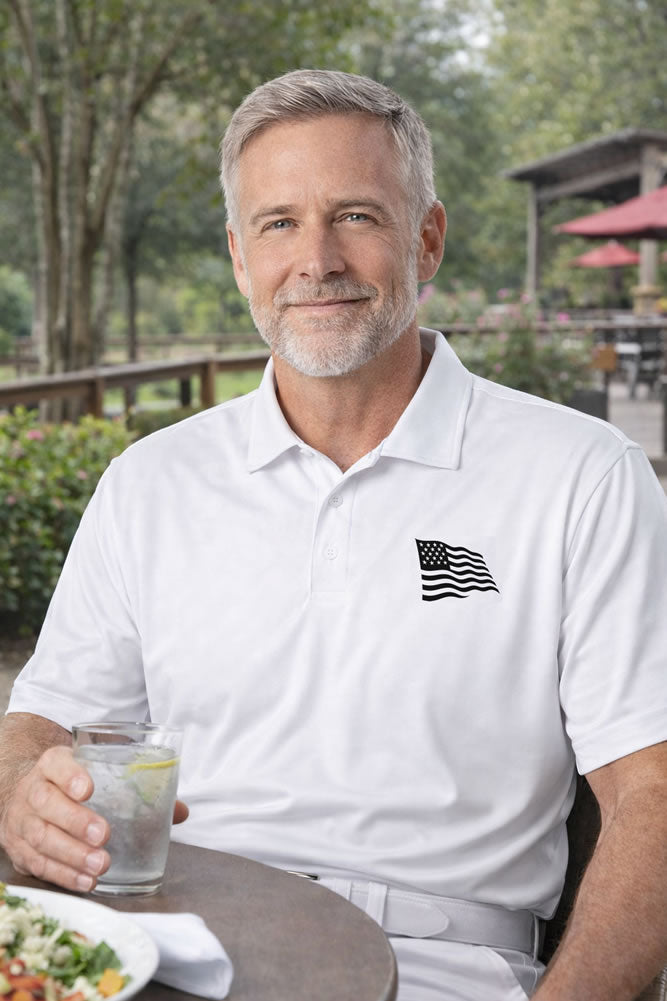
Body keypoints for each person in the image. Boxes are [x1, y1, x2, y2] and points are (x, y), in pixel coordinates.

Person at [1, 69, 666, 1001]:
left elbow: (654, 796)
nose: (315, 259)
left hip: (445, 968)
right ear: (239, 256)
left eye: (355, 215)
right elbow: (39, 724)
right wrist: (25, 790)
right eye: (278, 223)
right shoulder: (150, 482)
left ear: (425, 237)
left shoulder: (581, 476)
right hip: (166, 952)